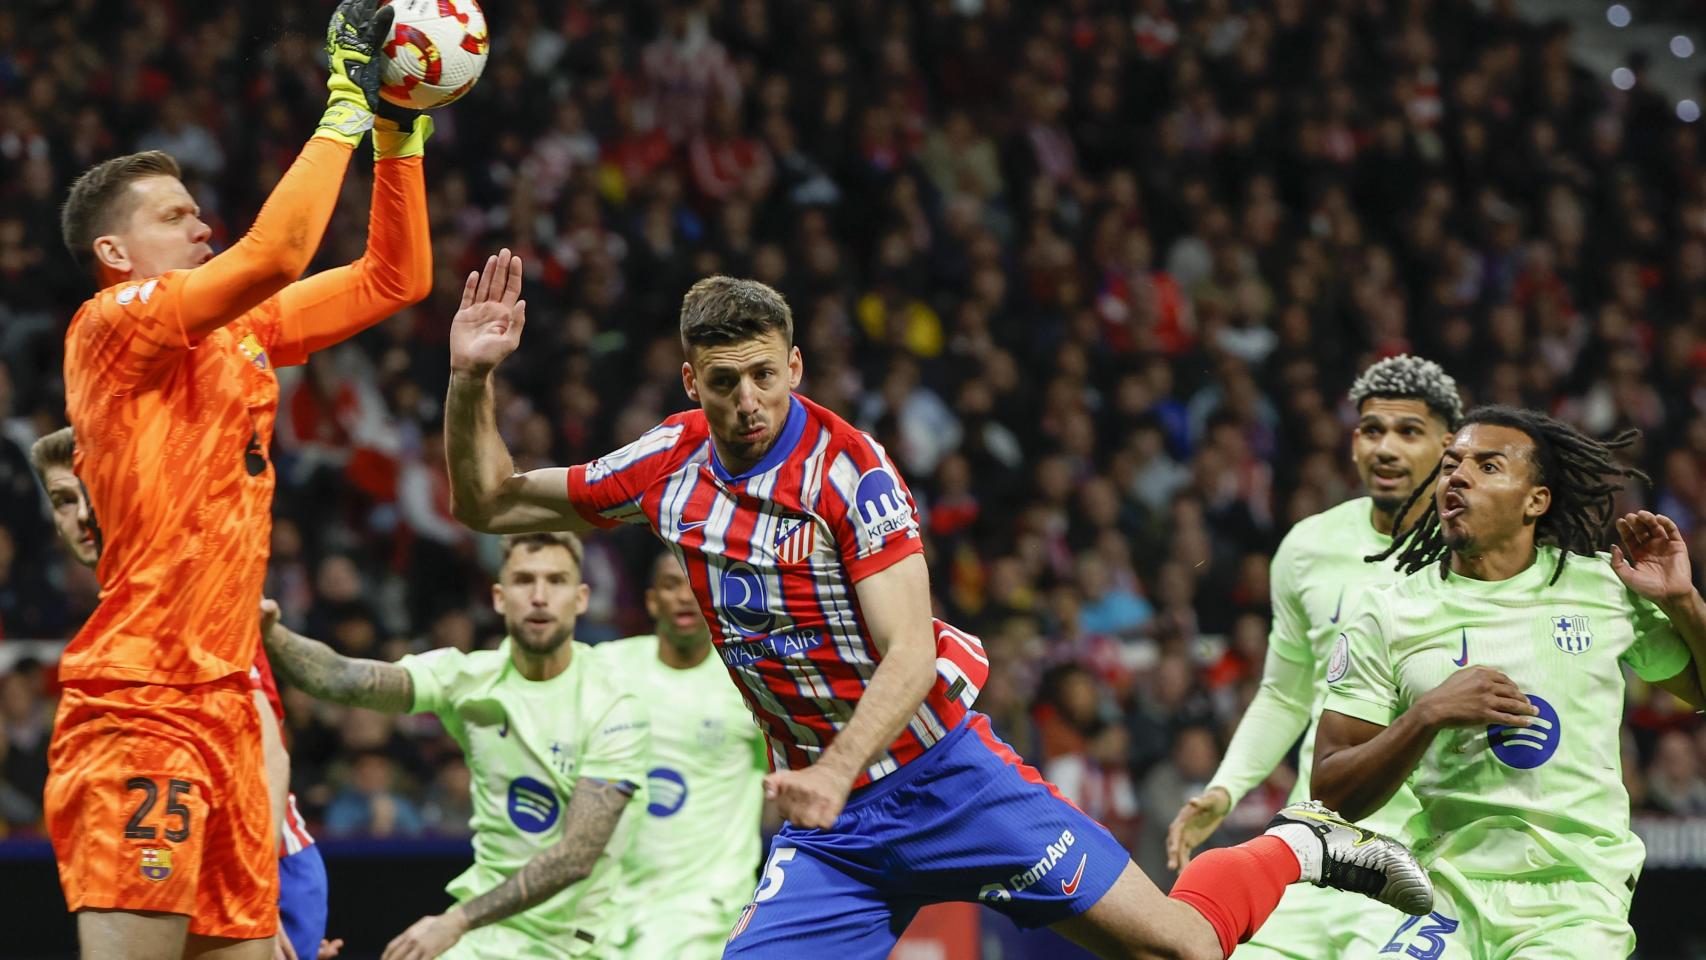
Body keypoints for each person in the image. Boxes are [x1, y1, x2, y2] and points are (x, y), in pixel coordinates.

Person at [440, 252, 1433, 960]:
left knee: (1177, 947)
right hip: (834, 831)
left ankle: (1297, 844)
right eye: (725, 382)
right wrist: (470, 380)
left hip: (943, 778)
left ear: (795, 367)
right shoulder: (668, 462)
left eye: (765, 377)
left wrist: (833, 769)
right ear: (690, 380)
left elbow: (910, 652)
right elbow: (488, 502)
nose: (747, 402)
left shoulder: (850, 474)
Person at [47, 0, 432, 954]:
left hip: (227, 705)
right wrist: (345, 103)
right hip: (141, 700)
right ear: (115, 254)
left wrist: (399, 129)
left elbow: (395, 278)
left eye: (197, 209)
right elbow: (277, 253)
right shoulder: (111, 324)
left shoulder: (242, 331)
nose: (201, 224)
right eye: (174, 216)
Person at [1315, 406, 1706, 957]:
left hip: (1575, 896)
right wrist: (1426, 715)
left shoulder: (1602, 588)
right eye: (1450, 465)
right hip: (1445, 892)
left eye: (1488, 466)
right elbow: (1330, 794)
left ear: (1535, 501)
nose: (1458, 476)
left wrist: (1683, 602)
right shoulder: (1389, 613)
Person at [1165, 356, 1460, 957]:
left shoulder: (1474, 554)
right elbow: (1285, 692)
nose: (1386, 448)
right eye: (1372, 430)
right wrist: (1226, 789)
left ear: (1449, 446)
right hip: (1314, 841)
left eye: (1409, 431)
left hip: (1427, 858)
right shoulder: (1308, 547)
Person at [28, 427, 342, 960]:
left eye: (93, 490)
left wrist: (262, 897)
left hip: (260, 861)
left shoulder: (191, 596)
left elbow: (267, 751)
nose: (81, 515)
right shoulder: (132, 608)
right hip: (200, 852)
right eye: (63, 500)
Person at [263, 531, 647, 960]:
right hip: (485, 937)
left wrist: (454, 921)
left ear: (581, 598)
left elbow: (576, 856)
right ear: (499, 597)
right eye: (524, 580)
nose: (539, 597)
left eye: (556, 581)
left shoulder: (612, 701)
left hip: (578, 943)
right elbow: (343, 678)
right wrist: (268, 631)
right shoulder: (468, 678)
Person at [603, 552, 769, 959]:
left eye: (696, 584)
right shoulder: (608, 667)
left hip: (710, 907)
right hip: (616, 906)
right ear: (651, 600)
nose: (684, 596)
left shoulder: (749, 681)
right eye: (670, 585)